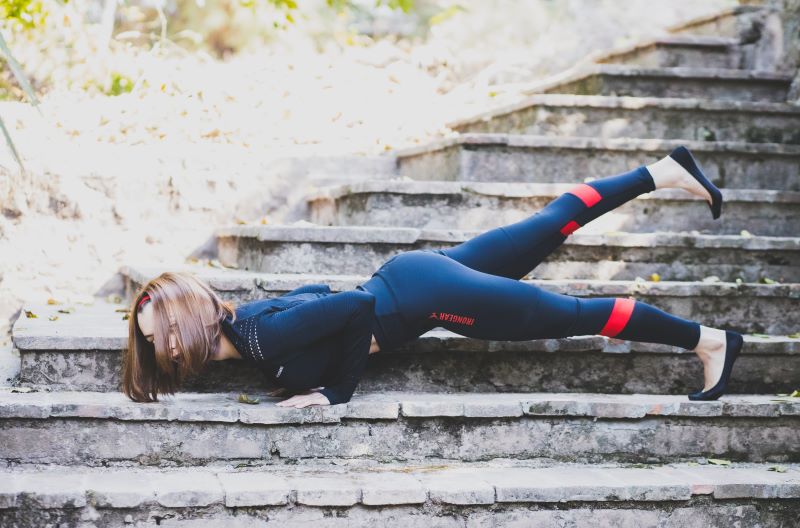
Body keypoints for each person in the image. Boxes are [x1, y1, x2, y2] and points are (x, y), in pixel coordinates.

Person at [126, 146, 743, 408]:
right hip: (412, 279)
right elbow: (318, 296)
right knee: (548, 224)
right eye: (157, 343)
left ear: (193, 311)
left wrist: (335, 394)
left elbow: (350, 309)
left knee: (574, 315)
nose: (168, 346)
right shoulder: (251, 324)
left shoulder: (261, 339)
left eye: (169, 330)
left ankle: (710, 341)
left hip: (423, 297)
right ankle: (663, 172)